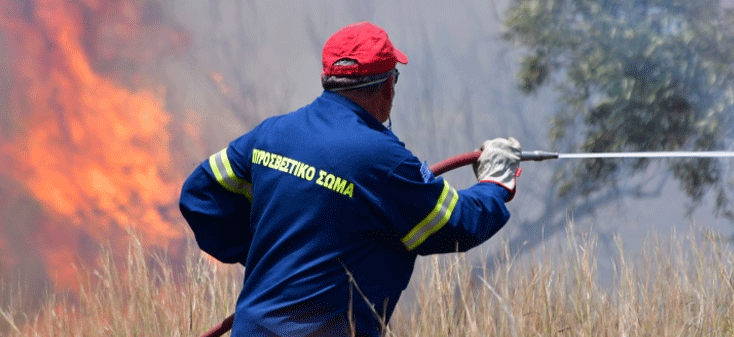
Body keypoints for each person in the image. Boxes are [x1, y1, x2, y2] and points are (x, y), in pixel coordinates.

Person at [179, 22, 522, 337]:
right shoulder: (383, 160)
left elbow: (199, 196)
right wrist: (495, 184)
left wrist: (260, 255)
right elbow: (456, 223)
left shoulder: (271, 135)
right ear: (387, 86)